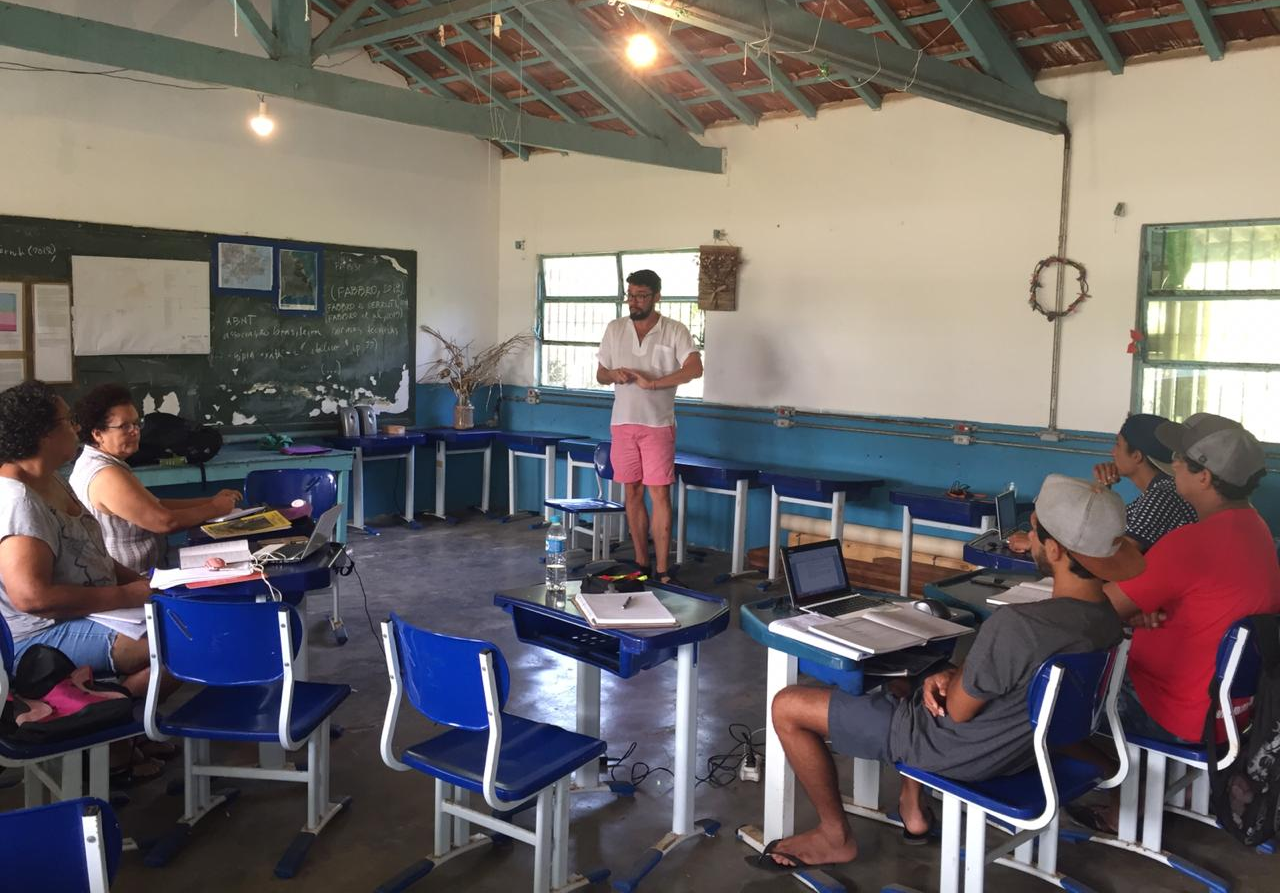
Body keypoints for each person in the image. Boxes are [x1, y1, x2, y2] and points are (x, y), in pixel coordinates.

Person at [758, 475, 1135, 872]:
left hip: (960, 750)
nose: (1028, 537)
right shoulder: (1107, 620)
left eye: (1035, 531)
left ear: (1055, 551)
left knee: (788, 707)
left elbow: (956, 712)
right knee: (914, 677)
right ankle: (912, 807)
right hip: (1022, 747)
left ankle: (835, 836)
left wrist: (954, 679)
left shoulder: (1019, 626)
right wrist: (952, 674)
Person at [1104, 413, 1280, 747]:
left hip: (1176, 713)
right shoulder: (1257, 529)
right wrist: (1139, 615)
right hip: (1234, 711)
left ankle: (1105, 786)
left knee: (1055, 687)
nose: (1173, 468)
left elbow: (1098, 611)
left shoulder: (1191, 542)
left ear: (1205, 478)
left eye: (1179, 460)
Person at [0, 381, 158, 694]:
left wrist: (148, 586)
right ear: (44, 433)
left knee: (183, 621)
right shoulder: (18, 500)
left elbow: (88, 554)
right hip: (39, 637)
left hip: (94, 613)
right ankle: (116, 721)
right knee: (187, 640)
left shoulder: (49, 478)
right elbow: (32, 598)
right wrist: (127, 595)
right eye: (68, 421)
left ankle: (123, 726)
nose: (76, 428)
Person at [596, 269, 702, 583]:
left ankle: (663, 570)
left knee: (659, 494)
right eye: (630, 295)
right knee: (632, 491)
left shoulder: (675, 330)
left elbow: (694, 368)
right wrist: (613, 374)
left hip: (657, 424)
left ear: (657, 296)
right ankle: (641, 564)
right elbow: (601, 373)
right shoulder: (615, 329)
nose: (634, 301)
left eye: (642, 295)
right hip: (622, 424)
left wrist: (654, 383)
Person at [69, 383, 241, 573]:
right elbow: (163, 522)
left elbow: (156, 504)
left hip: (146, 571)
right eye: (124, 426)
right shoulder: (106, 475)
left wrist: (211, 500)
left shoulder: (99, 461)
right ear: (98, 433)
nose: (135, 431)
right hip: (130, 581)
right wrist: (215, 508)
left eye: (137, 423)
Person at [1008, 413, 1196, 555]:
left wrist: (1041, 545)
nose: (1112, 452)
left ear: (1137, 456)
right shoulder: (1160, 490)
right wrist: (1103, 487)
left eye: (1118, 445)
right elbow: (1102, 530)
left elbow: (1118, 555)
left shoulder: (1162, 496)